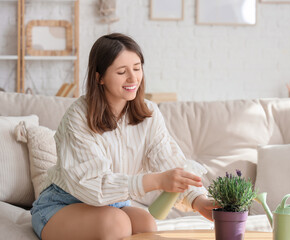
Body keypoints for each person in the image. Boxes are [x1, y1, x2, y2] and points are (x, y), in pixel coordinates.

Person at [30, 33, 217, 240]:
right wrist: (155, 181)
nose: (133, 78)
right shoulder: (78, 117)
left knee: (146, 224)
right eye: (122, 72)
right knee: (116, 224)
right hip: (63, 203)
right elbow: (93, 187)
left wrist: (198, 201)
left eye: (137, 69)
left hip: (114, 203)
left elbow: (170, 163)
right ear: (99, 77)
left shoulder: (149, 114)